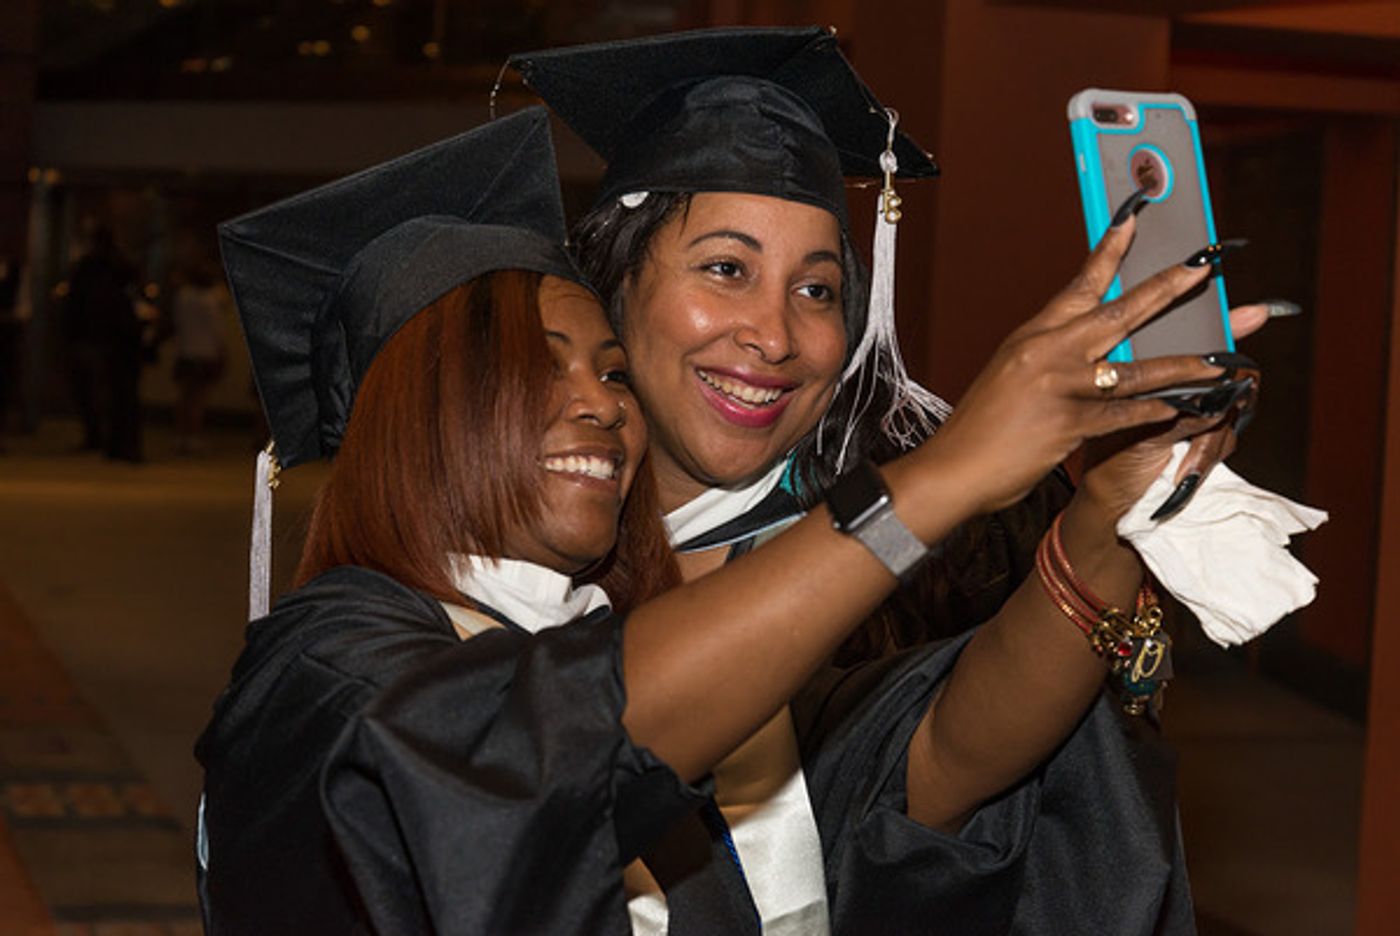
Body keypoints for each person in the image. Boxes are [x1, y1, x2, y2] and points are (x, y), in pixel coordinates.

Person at [196, 101, 1241, 933]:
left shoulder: (668, 654)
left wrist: (1105, 518)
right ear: (415, 410)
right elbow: (547, 743)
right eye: (539, 363)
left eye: (608, 369)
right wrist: (945, 476)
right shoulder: (324, 671)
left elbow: (938, 759)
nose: (602, 402)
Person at [509, 26, 1270, 933]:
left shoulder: (934, 556)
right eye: (726, 268)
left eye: (818, 289)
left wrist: (1106, 513)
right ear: (610, 284)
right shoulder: (507, 539)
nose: (776, 336)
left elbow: (944, 760)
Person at [61, 224, 145, 461]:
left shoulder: (92, 269)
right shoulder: (116, 269)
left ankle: (106, 439)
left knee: (99, 391)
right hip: (113, 339)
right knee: (116, 394)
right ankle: (115, 442)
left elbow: (76, 304)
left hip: (100, 339)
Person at [169, 259, 230, 454]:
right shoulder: (210, 300)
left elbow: (176, 322)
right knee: (198, 398)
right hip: (205, 353)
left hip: (185, 351)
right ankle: (193, 436)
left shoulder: (183, 297)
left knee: (184, 396)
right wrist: (223, 353)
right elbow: (217, 330)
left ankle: (180, 436)